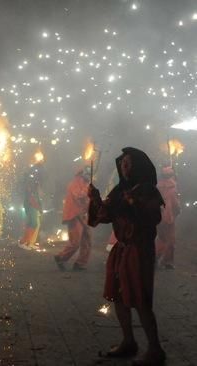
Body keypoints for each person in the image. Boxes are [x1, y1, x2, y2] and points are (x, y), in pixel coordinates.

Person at [88, 147, 166, 365]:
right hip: (121, 250)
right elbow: (104, 215)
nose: (125, 166)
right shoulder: (119, 190)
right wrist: (95, 199)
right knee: (120, 297)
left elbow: (153, 218)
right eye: (123, 162)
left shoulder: (148, 190)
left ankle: (155, 349)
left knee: (140, 299)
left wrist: (135, 203)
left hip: (139, 251)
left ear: (139, 166)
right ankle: (128, 341)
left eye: (129, 162)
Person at [54, 167, 92, 271]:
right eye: (88, 173)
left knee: (87, 240)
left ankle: (80, 263)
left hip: (82, 215)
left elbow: (87, 201)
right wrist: (90, 192)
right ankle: (60, 257)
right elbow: (79, 196)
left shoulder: (85, 184)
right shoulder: (75, 183)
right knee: (75, 242)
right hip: (74, 215)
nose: (89, 176)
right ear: (82, 174)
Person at [155, 166, 180, 270]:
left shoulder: (158, 186)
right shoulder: (173, 187)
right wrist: (178, 211)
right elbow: (175, 204)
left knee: (160, 237)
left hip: (157, 215)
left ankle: (156, 256)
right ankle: (167, 261)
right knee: (170, 238)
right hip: (168, 217)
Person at [19, 164, 43, 250]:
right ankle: (23, 242)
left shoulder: (33, 180)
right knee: (33, 223)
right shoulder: (29, 180)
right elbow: (30, 195)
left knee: (33, 223)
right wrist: (37, 206)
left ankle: (28, 243)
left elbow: (37, 194)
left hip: (32, 204)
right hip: (31, 204)